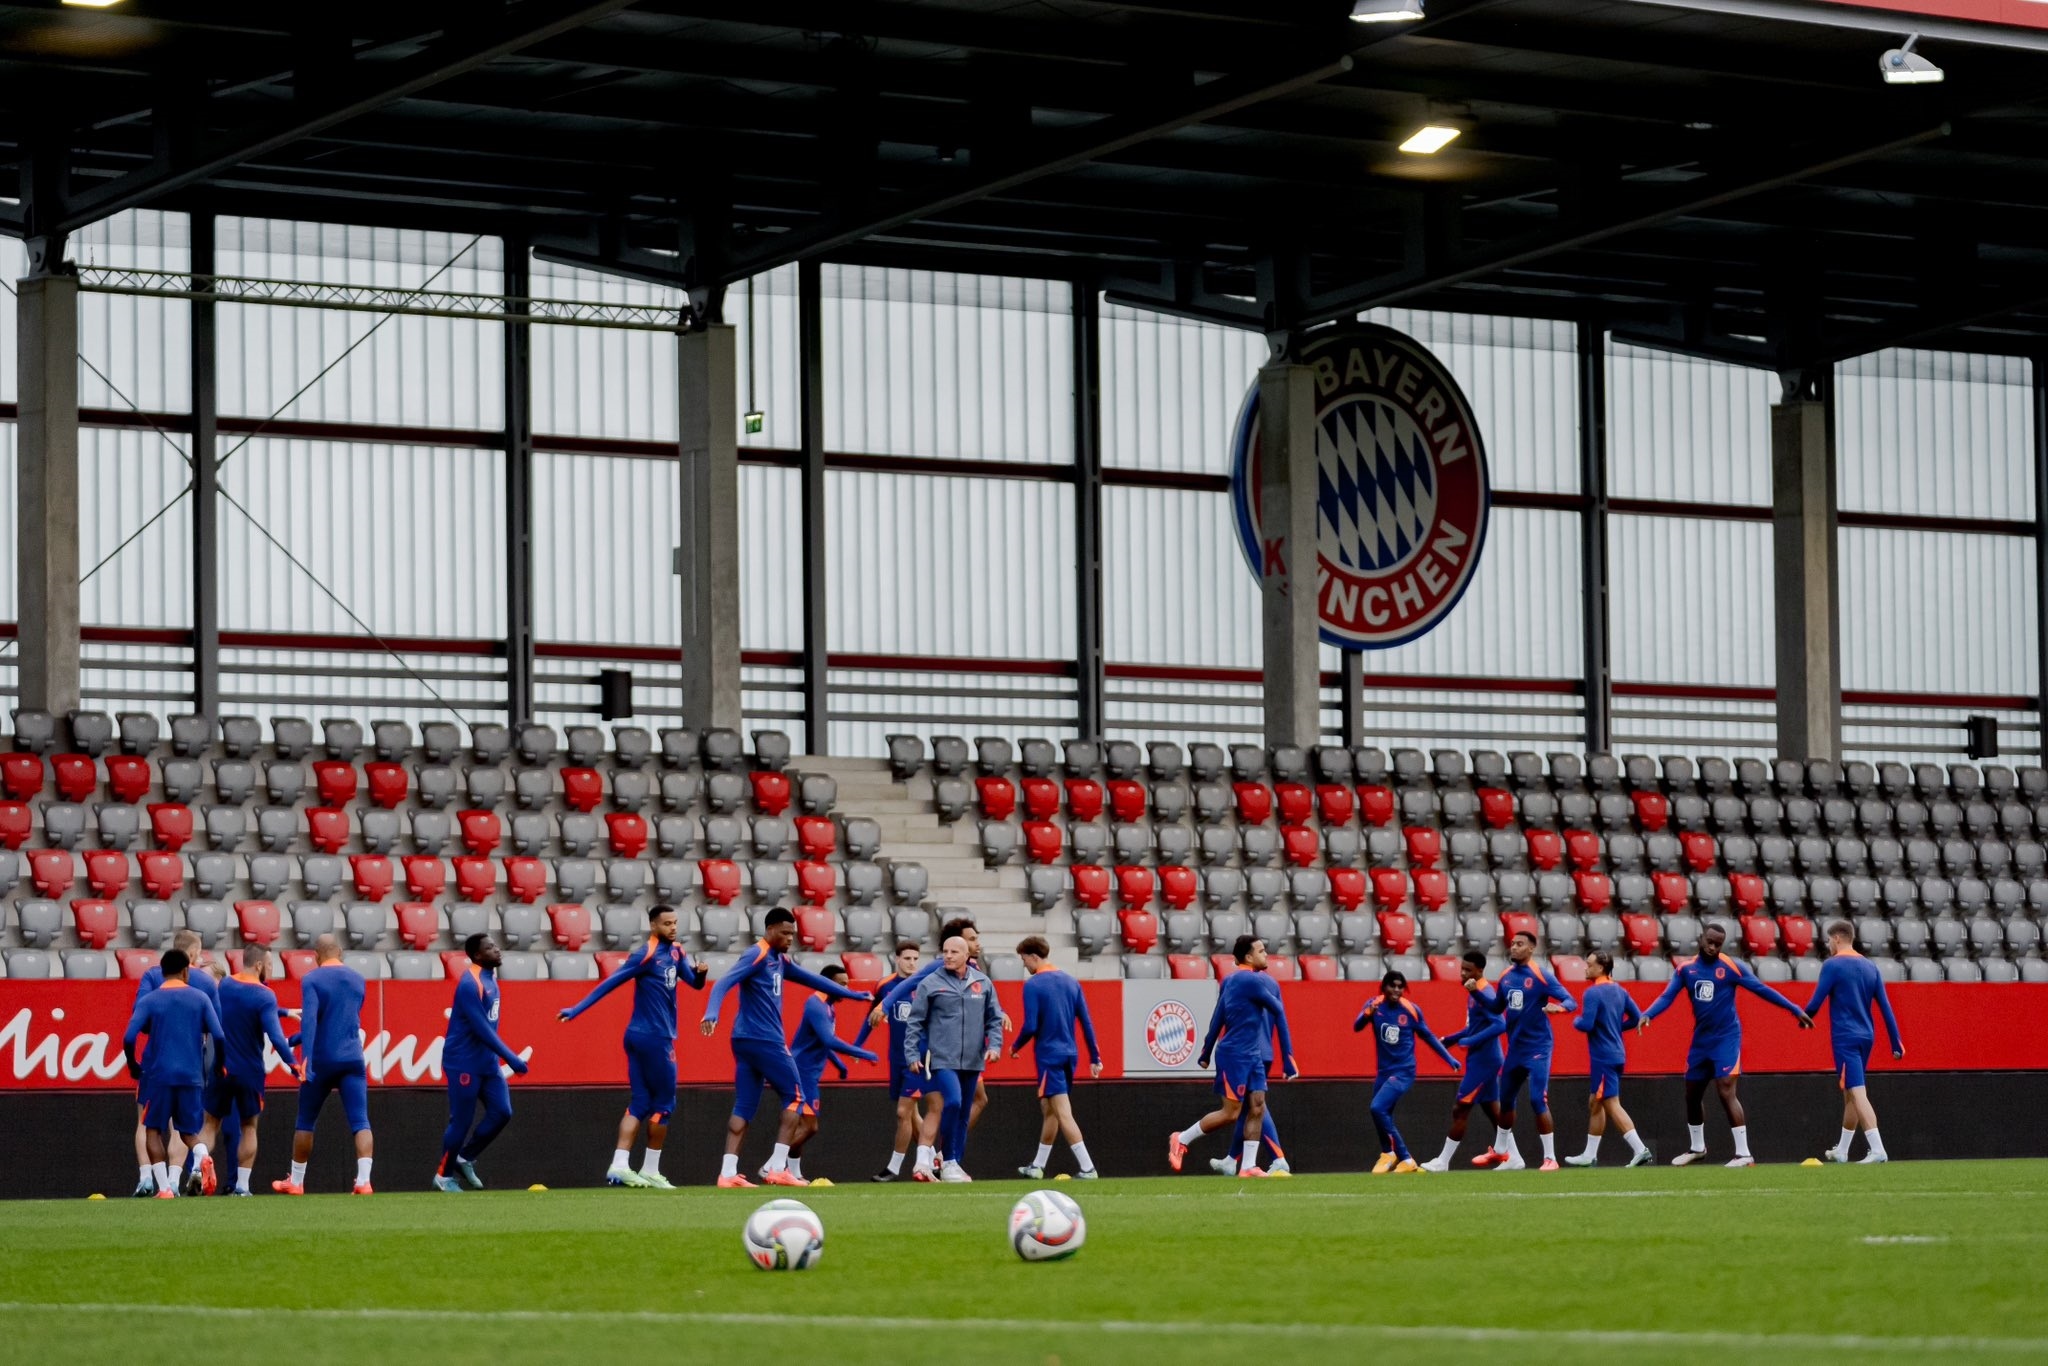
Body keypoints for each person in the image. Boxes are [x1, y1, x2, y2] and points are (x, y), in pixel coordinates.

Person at [700, 907, 872, 1188]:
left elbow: (815, 980)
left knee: (744, 1105)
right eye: (785, 932)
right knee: (795, 1098)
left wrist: (851, 995)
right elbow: (725, 982)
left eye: (793, 933)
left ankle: (727, 1174)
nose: (790, 937)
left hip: (743, 1040)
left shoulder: (779, 960)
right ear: (769, 930)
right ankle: (777, 1168)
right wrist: (712, 1011)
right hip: (765, 1039)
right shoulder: (756, 954)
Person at [558, 904, 706, 1189]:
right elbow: (611, 983)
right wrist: (577, 1009)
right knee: (665, 1103)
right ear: (653, 926)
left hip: (638, 1036)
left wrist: (699, 974)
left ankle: (619, 1165)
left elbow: (694, 984)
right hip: (654, 1038)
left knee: (640, 1102)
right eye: (667, 924)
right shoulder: (646, 954)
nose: (673, 928)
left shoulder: (677, 952)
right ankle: (651, 1170)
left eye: (675, 923)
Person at [1640, 923, 1813, 1167]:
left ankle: (1744, 1153)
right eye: (1709, 942)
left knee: (1725, 1088)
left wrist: (1794, 1009)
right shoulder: (1686, 970)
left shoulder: (1731, 967)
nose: (1712, 947)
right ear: (1701, 939)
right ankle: (1697, 1148)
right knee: (1692, 1094)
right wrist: (1648, 1014)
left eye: (1717, 944)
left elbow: (1761, 990)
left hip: (1726, 1038)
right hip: (1701, 1040)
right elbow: (1667, 996)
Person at [868, 916, 1003, 1180]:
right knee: (945, 1103)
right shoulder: (935, 973)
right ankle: (937, 1158)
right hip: (936, 1054)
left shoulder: (980, 978)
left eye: (971, 942)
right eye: (972, 938)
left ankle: (936, 1160)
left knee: (961, 1103)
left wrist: (995, 1038)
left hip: (970, 1055)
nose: (977, 943)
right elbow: (909, 988)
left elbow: (989, 1011)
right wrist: (884, 1006)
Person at [1168, 935, 1298, 1180]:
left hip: (1252, 1054)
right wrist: (1288, 1055)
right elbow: (1278, 1009)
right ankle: (1181, 1138)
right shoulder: (1249, 979)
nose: (1266, 954)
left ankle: (1247, 1166)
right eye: (1261, 951)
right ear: (1248, 957)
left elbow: (1219, 1016)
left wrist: (1205, 1052)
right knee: (1231, 1113)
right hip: (1235, 1054)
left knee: (1257, 1106)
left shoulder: (1234, 980)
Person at [122, 948, 226, 1200]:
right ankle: (202, 1156)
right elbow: (219, 1035)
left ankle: (165, 1189)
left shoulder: (150, 1000)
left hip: (158, 1075)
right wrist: (219, 1064)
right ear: (185, 971)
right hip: (191, 1075)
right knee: (189, 1132)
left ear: (163, 971)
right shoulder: (200, 998)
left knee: (152, 1130)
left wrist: (133, 1064)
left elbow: (128, 1036)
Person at [274, 935, 374, 1195]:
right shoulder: (357, 979)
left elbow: (311, 1021)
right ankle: (364, 1181)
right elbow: (340, 1021)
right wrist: (291, 1040)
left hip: (322, 1060)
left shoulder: (312, 979)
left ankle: (296, 1182)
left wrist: (304, 1056)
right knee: (360, 1121)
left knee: (306, 1120)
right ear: (339, 952)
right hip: (352, 1058)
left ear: (316, 957)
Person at [902, 933, 1003, 1182]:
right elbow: (915, 1022)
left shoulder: (983, 983)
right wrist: (912, 1054)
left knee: (964, 1112)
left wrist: (995, 1046)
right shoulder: (930, 983)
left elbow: (994, 1019)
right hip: (941, 1058)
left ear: (966, 956)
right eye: (944, 951)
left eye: (953, 952)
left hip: (973, 1059)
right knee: (954, 1103)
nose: (947, 956)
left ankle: (953, 1162)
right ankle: (946, 1159)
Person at [1803, 921, 1905, 1164]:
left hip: (1845, 1037)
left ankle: (1878, 1148)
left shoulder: (1833, 965)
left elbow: (1817, 1001)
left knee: (1858, 1092)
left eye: (1829, 940)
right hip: (1866, 1036)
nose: (1828, 944)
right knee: (1850, 1092)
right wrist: (1895, 1041)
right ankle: (1843, 1150)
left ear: (1838, 938)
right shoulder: (1870, 967)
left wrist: (1802, 1016)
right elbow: (1886, 1007)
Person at [435, 934, 530, 1193]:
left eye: (495, 946)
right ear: (477, 955)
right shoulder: (470, 983)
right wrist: (511, 1058)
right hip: (463, 1061)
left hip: (485, 1061)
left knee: (502, 1112)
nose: (497, 950)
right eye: (490, 948)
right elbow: (481, 1029)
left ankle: (464, 1158)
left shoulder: (490, 979)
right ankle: (443, 1176)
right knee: (461, 1121)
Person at [1478, 929, 1577, 1171]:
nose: (1514, 947)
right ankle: (1503, 1153)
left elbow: (1571, 1001)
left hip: (1538, 1048)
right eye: (1512, 943)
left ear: (1532, 948)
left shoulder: (1541, 976)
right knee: (1506, 1100)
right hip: (1515, 1049)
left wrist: (1560, 1009)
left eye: (1520, 944)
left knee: (1536, 1099)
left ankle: (1550, 1158)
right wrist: (1475, 991)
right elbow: (1494, 1007)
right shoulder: (1506, 976)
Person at [1011, 936, 1102, 1179]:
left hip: (1049, 1055)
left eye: (1024, 960)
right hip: (1070, 1055)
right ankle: (1037, 1166)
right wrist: (1095, 1056)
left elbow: (1031, 1025)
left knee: (1062, 1111)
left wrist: (1015, 1046)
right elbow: (1086, 1021)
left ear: (1033, 957)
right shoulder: (1071, 982)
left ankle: (1088, 1167)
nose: (1025, 966)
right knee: (1049, 1108)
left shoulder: (1033, 985)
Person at [781, 963, 878, 1183]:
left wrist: (839, 1066)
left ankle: (794, 1173)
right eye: (840, 984)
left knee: (800, 1125)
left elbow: (819, 1043)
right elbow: (829, 1040)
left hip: (810, 1071)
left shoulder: (829, 1006)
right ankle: (773, 1165)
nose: (844, 989)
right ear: (827, 983)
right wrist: (863, 1053)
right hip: (802, 1071)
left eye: (847, 984)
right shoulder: (816, 1003)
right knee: (810, 1126)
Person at [1355, 970, 1459, 1173]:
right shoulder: (1375, 1004)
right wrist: (1368, 1012)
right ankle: (1388, 1154)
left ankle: (1405, 1158)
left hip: (1403, 1070)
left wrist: (1449, 1058)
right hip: (1383, 1071)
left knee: (1377, 1108)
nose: (1396, 990)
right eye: (1392, 986)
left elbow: (1428, 1036)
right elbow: (1357, 1026)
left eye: (1400, 986)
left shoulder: (1411, 1010)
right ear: (1384, 987)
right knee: (1381, 1114)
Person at [208, 951, 295, 1196]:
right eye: (269, 964)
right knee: (249, 1126)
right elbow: (276, 1037)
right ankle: (242, 1186)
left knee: (209, 1122)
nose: (271, 969)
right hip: (250, 1071)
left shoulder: (224, 985)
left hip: (222, 1065)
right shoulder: (264, 995)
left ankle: (197, 1167)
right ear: (258, 965)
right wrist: (293, 1064)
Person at [1422, 951, 1510, 1172]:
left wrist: (1470, 1040)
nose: (1462, 973)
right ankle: (1514, 1157)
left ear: (1479, 971)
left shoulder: (1484, 991)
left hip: (1485, 1061)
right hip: (1481, 1058)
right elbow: (1476, 1025)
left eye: (1467, 970)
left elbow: (1500, 1025)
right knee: (1493, 1111)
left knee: (1460, 1108)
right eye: (1461, 969)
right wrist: (1451, 1039)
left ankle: (1443, 1161)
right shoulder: (1473, 991)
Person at [1565, 951, 1652, 1167]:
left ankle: (1640, 1149)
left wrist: (1574, 1020)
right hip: (1617, 1053)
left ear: (1601, 967)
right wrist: (1615, 1028)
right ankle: (1589, 1155)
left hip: (1603, 1056)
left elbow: (1586, 1024)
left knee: (1611, 1103)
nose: (1585, 968)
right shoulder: (1620, 991)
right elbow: (1637, 1017)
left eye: (1589, 964)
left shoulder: (1593, 993)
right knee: (1595, 1102)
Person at [853, 941, 932, 1181]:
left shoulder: (925, 985)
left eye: (916, 959)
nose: (912, 963)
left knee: (902, 1112)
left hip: (916, 1059)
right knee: (912, 1113)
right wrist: (857, 1047)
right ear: (896, 959)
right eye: (907, 958)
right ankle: (932, 1160)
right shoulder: (885, 986)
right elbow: (871, 1018)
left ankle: (893, 1168)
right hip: (895, 1057)